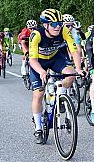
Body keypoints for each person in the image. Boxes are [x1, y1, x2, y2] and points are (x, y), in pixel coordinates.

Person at [28, 9, 83, 144]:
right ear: (45, 25)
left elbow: (74, 50)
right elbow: (32, 60)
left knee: (71, 74)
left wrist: (79, 69)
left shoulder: (64, 31)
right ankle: (38, 128)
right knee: (39, 94)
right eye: (53, 24)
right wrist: (41, 72)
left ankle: (60, 95)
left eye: (59, 23)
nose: (57, 26)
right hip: (39, 62)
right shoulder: (36, 35)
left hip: (54, 58)